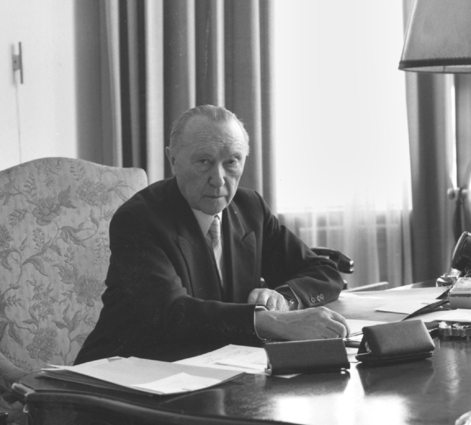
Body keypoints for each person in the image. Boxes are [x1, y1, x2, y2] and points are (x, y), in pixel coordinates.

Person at [75, 105, 348, 363]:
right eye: (204, 161)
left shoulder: (250, 207)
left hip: (215, 370)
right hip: (124, 376)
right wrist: (271, 322)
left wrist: (285, 299)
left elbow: (323, 271)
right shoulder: (139, 218)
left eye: (232, 162)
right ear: (173, 160)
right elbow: (171, 314)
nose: (218, 179)